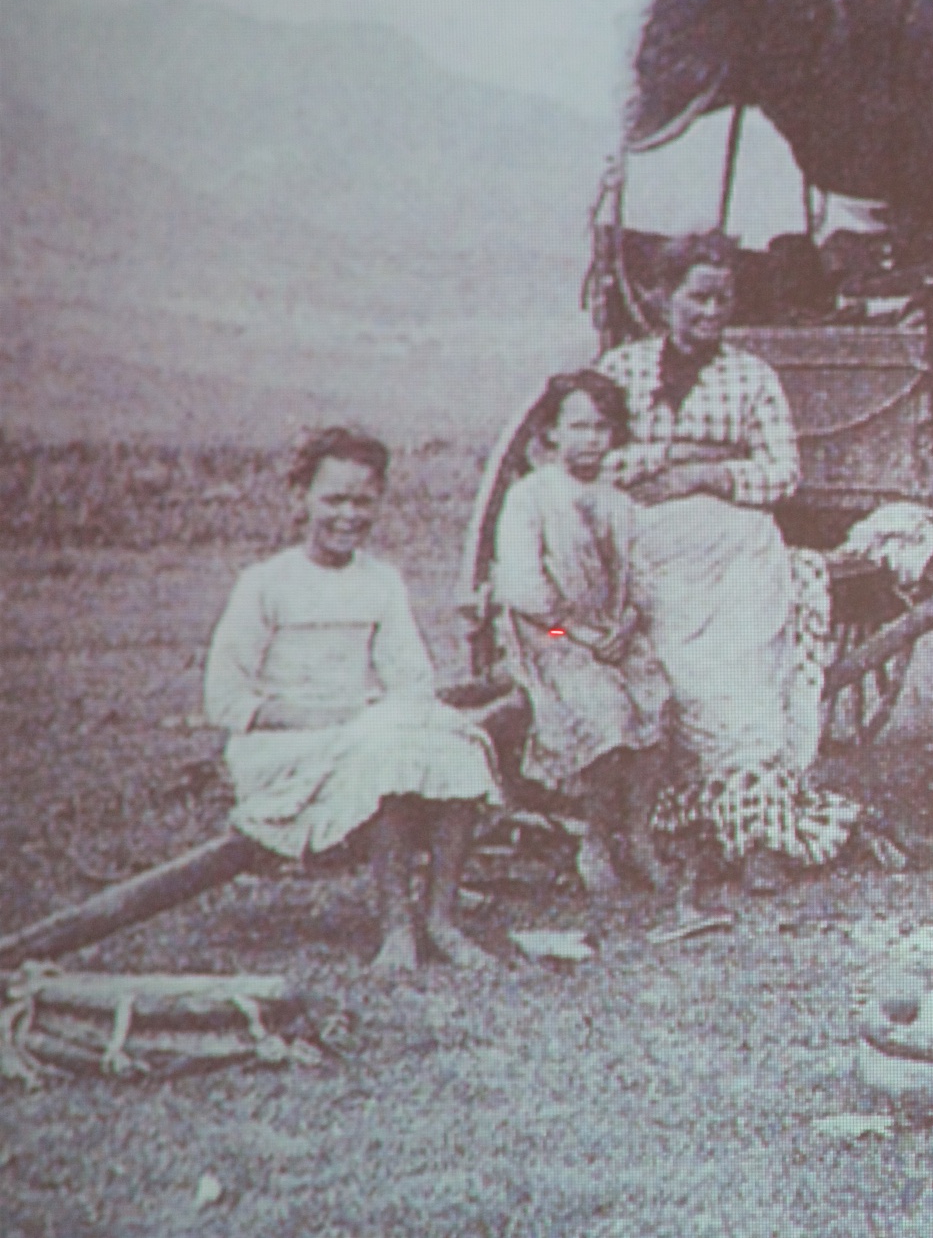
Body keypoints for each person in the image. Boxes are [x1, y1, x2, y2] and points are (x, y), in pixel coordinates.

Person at [594, 231, 858, 895]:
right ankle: (665, 827)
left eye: (723, 299)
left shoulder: (750, 377)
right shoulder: (621, 372)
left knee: (744, 686)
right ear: (662, 297)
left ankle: (756, 832)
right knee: (668, 673)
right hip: (648, 546)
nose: (712, 312)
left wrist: (707, 474)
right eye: (698, 298)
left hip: (736, 550)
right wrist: (670, 459)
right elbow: (589, 458)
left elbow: (781, 473)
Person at [203, 428, 503, 972]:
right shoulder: (265, 584)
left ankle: (441, 919)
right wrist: (328, 717)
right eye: (334, 500)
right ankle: (396, 929)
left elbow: (410, 677)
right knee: (385, 756)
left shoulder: (381, 582)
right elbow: (226, 699)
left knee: (457, 746)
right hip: (283, 746)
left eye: (362, 502)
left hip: (361, 730)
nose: (348, 516)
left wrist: (394, 714)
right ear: (301, 498)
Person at [490, 370, 676, 897]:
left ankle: (637, 833)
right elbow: (524, 590)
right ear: (552, 432)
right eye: (578, 427)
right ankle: (594, 838)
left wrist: (626, 624)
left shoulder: (619, 503)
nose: (590, 440)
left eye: (601, 428)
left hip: (609, 632)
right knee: (605, 707)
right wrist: (573, 632)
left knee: (656, 697)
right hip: (548, 633)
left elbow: (644, 578)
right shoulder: (532, 496)